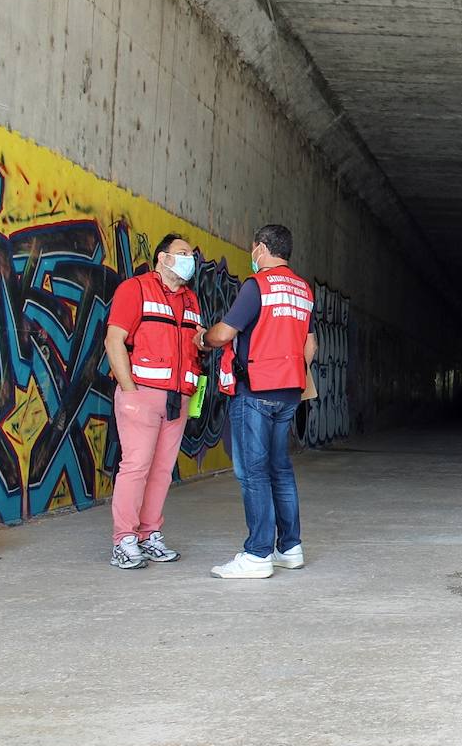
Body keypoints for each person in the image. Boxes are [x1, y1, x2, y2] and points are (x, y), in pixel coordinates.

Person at [204, 224, 317, 579]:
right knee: (279, 469)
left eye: (253, 248)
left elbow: (224, 333)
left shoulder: (258, 287)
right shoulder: (303, 290)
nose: (252, 253)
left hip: (255, 391)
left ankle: (256, 554)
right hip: (289, 392)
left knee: (253, 472)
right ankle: (290, 547)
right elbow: (309, 346)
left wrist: (202, 340)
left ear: (263, 248)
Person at [102, 234, 207, 569]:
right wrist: (129, 390)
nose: (189, 258)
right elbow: (114, 340)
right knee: (136, 467)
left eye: (191, 254)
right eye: (182, 253)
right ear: (163, 257)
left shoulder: (191, 299)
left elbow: (193, 345)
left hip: (179, 398)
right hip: (143, 395)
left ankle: (149, 535)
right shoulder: (136, 289)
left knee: (162, 470)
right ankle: (124, 539)